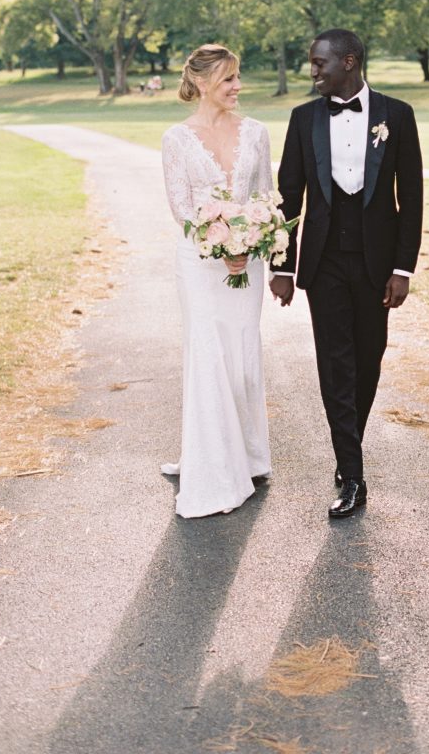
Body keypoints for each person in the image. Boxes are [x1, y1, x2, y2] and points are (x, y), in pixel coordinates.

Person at [270, 29, 423, 518]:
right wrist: (281, 267)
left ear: (350, 62)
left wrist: (402, 268)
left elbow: (412, 198)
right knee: (335, 363)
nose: (313, 72)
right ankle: (351, 474)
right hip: (324, 263)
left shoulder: (396, 116)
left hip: (377, 264)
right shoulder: (303, 119)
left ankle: (347, 448)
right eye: (312, 64)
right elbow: (288, 198)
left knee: (369, 359)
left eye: (320, 63)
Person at [160, 44, 273, 517]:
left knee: (243, 356)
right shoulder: (176, 139)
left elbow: (266, 196)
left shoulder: (258, 133)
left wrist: (248, 243)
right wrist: (221, 243)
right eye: (228, 79)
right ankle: (212, 468)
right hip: (200, 262)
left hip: (249, 260)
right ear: (203, 83)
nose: (237, 87)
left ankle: (246, 455)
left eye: (238, 77)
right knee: (208, 354)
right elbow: (182, 208)